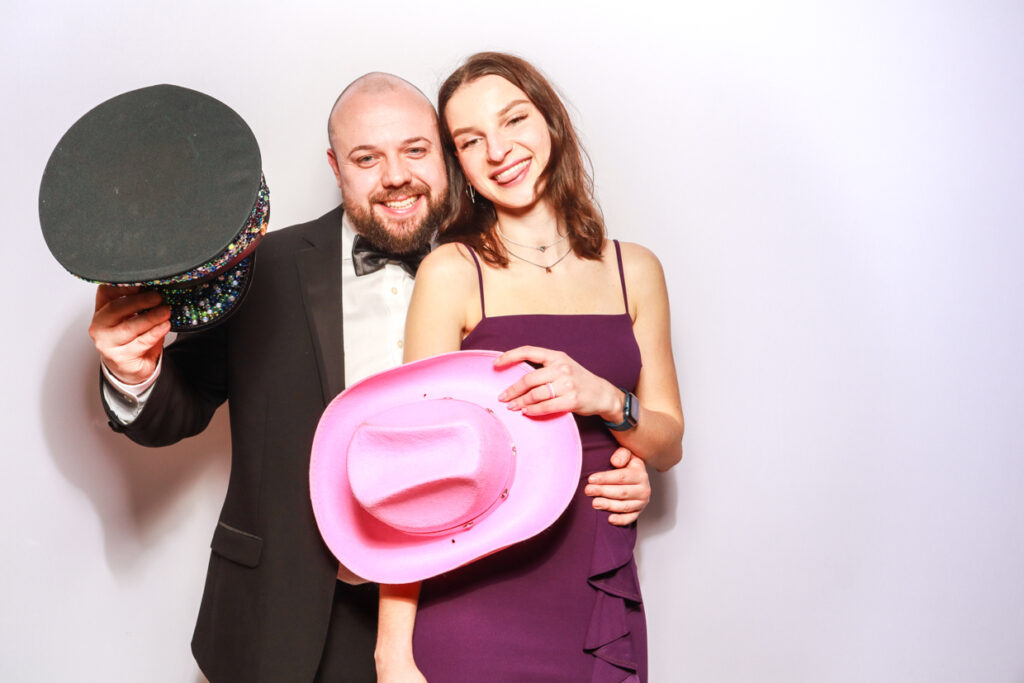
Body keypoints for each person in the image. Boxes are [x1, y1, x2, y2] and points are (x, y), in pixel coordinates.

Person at [88, 72, 654, 683]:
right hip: (289, 612)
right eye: (366, 157)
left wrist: (620, 460)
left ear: (448, 155)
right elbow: (185, 403)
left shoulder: (502, 271)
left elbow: (547, 412)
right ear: (335, 166)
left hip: (460, 606)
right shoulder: (265, 268)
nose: (395, 177)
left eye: (415, 150)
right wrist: (133, 373)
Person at [374, 53, 684, 683]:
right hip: (477, 601)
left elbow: (668, 442)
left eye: (513, 120)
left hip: (598, 590)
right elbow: (409, 475)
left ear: (551, 123)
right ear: (458, 162)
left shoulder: (637, 271)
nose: (498, 150)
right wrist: (392, 653)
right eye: (469, 140)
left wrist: (606, 400)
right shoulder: (453, 273)